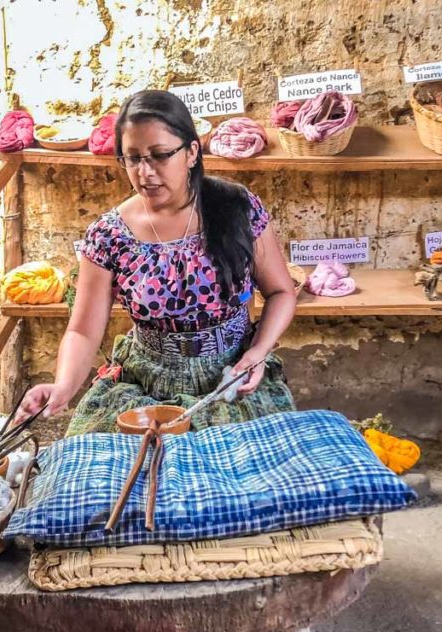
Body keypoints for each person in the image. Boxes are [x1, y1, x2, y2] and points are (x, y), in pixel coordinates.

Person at [17, 90, 297, 434]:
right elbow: (82, 330)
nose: (145, 172)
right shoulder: (109, 235)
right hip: (145, 384)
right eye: (132, 159)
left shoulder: (235, 207)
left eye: (160, 155)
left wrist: (257, 353)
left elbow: (282, 293)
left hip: (232, 379)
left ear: (191, 152)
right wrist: (62, 387)